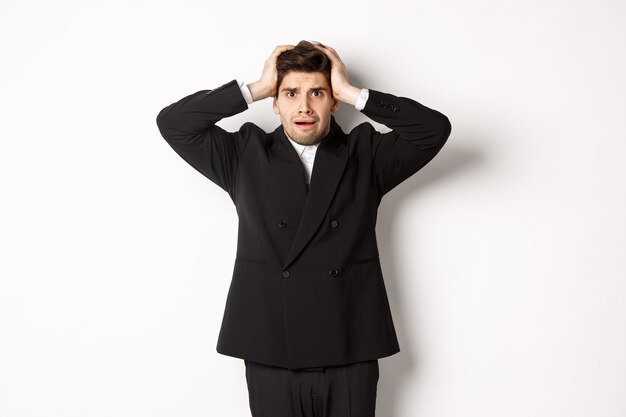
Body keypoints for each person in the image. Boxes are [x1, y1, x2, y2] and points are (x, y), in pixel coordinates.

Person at [156, 41, 451, 417]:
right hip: (272, 348)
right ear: (275, 103)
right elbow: (174, 124)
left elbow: (433, 129)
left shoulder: (367, 155)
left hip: (350, 345)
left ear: (333, 101)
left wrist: (353, 92)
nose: (304, 107)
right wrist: (255, 88)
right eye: (290, 93)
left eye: (317, 93)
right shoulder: (243, 154)